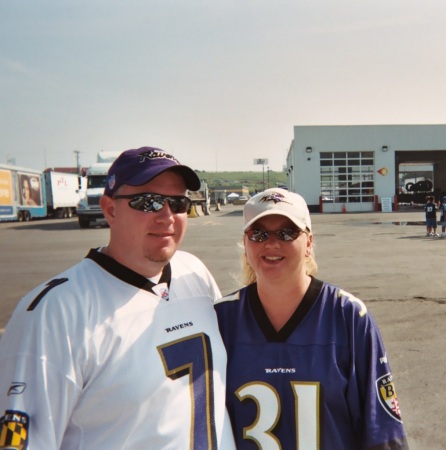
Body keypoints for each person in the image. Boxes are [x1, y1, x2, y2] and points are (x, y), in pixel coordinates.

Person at [0, 147, 235, 449]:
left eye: (178, 203)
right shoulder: (55, 312)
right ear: (110, 209)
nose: (166, 217)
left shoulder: (194, 273)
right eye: (147, 201)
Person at [215, 188, 408, 449]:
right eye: (258, 233)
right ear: (246, 243)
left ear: (308, 242)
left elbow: (383, 432)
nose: (272, 243)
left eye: (287, 232)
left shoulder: (348, 316)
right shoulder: (221, 318)